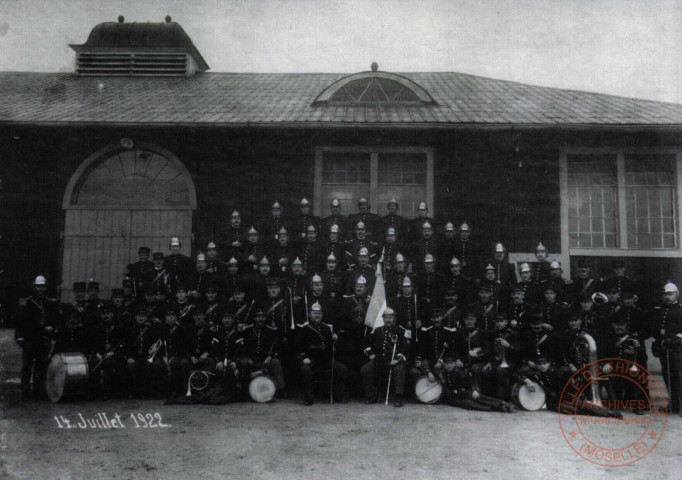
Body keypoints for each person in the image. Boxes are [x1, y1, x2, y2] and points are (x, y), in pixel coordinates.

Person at [15, 275, 60, 400]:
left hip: (43, 340)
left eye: (43, 286)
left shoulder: (50, 303)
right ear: (34, 287)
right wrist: (19, 337)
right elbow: (20, 322)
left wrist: (52, 328)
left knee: (41, 366)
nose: (41, 289)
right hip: (30, 339)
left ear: (46, 288)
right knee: (26, 367)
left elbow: (55, 319)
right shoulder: (27, 302)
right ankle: (25, 392)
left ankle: (38, 391)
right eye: (38, 286)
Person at [297, 302, 348, 405]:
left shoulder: (326, 328)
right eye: (315, 313)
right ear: (310, 315)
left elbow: (329, 347)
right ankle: (308, 398)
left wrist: (334, 340)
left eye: (319, 313)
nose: (317, 316)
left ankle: (338, 395)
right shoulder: (305, 329)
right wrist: (304, 358)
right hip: (310, 360)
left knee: (341, 368)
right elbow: (298, 346)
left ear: (322, 315)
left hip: (325, 360)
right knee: (305, 369)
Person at [360, 308, 409, 407]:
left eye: (390, 318)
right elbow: (365, 342)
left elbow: (406, 348)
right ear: (383, 319)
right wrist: (370, 354)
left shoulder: (400, 331)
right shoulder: (377, 331)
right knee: (365, 369)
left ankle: (398, 397)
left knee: (399, 369)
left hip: (395, 360)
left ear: (394, 319)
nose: (388, 320)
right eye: (386, 317)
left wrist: (397, 359)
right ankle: (372, 396)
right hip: (379, 359)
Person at [239, 307, 287, 398]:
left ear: (265, 318)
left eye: (262, 317)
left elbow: (276, 347)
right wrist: (247, 358)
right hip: (251, 360)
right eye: (258, 317)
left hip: (266, 360)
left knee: (276, 362)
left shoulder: (271, 331)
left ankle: (281, 389)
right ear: (254, 318)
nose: (260, 319)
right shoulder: (247, 331)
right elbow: (243, 346)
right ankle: (243, 389)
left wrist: (270, 357)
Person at [439, 357, 514, 412]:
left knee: (478, 397)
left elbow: (469, 382)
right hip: (455, 399)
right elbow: (435, 370)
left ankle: (502, 403)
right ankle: (498, 408)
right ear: (444, 365)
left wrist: (474, 390)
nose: (449, 366)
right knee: (469, 404)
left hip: (463, 393)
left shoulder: (459, 373)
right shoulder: (442, 373)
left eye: (451, 363)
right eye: (447, 364)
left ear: (455, 364)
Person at [652, 282, 682, 414]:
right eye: (665, 294)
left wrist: (678, 338)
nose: (668, 297)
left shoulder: (680, 310)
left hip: (677, 348)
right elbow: (655, 328)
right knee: (667, 376)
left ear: (677, 295)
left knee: (679, 376)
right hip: (664, 347)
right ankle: (673, 404)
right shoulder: (660, 310)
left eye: (670, 294)